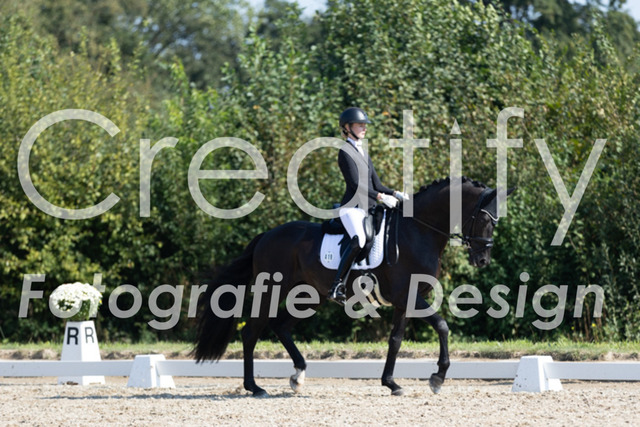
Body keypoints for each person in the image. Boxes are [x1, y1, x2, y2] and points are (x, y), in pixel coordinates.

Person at [327, 107, 408, 304]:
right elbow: (355, 185)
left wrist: (395, 193)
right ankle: (337, 285)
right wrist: (380, 197)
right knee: (359, 240)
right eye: (360, 125)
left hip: (368, 208)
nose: (364, 128)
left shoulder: (363, 152)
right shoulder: (345, 152)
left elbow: (376, 184)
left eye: (365, 125)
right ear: (347, 128)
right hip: (352, 208)